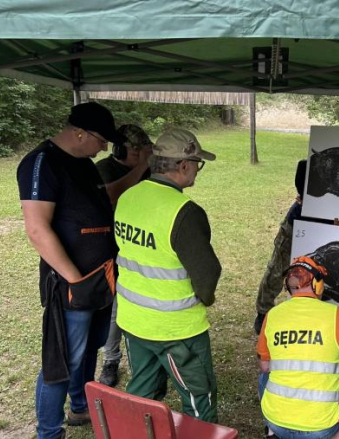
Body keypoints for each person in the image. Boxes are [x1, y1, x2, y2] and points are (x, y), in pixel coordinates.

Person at [17, 101, 126, 439]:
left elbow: (103, 199)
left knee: (88, 350)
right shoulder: (41, 163)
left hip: (100, 278)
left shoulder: (84, 163)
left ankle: (79, 407)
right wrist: (74, 279)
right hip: (71, 283)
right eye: (101, 139)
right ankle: (48, 432)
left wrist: (142, 168)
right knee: (62, 361)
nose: (105, 147)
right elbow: (37, 229)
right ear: (79, 132)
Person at [114, 127, 222, 422]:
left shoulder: (127, 197)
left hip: (134, 319)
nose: (197, 171)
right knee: (198, 394)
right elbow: (207, 271)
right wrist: (205, 297)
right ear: (183, 165)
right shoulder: (185, 212)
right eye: (197, 164)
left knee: (142, 392)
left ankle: (136, 429)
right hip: (177, 329)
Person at [257, 256, 339, 439]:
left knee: (265, 376)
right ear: (318, 285)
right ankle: (337, 436)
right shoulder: (338, 315)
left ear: (289, 287)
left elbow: (264, 367)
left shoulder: (272, 315)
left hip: (276, 422)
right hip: (320, 430)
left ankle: (271, 432)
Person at [94, 124, 153, 388]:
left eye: (143, 151)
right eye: (136, 150)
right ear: (120, 149)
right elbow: (111, 194)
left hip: (141, 245)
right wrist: (142, 168)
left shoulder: (146, 170)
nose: (141, 155)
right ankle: (111, 359)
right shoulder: (104, 169)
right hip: (112, 247)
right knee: (114, 308)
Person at [253, 159, 307, 334]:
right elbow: (302, 167)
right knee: (277, 270)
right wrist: (305, 196)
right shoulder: (308, 165)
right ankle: (263, 313)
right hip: (295, 224)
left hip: (321, 226)